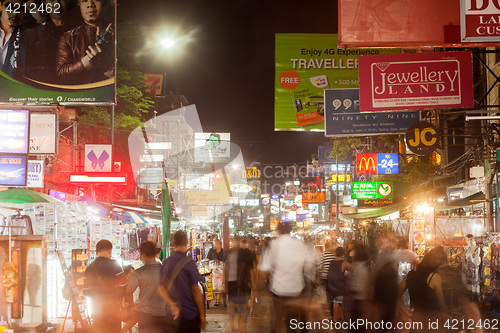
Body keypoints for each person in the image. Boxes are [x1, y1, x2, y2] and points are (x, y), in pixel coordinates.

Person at [259, 222, 315, 333]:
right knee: (292, 322)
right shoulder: (299, 244)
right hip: (296, 289)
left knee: (277, 321)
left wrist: (268, 284)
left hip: (278, 289)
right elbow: (309, 264)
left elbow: (265, 269)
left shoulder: (274, 245)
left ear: (278, 230)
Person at [158, 230, 206, 333]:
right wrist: (202, 315)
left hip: (171, 315)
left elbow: (161, 288)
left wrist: (172, 304)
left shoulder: (166, 262)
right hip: (189, 314)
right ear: (187, 242)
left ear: (174, 244)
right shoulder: (189, 263)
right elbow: (196, 290)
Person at [55, 0, 114, 84]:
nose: (90, 4)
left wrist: (106, 68)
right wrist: (89, 59)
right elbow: (61, 74)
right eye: (85, 0)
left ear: (106, 4)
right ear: (79, 4)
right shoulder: (68, 38)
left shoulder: (117, 35)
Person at [399, 246, 449, 333]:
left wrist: (405, 311)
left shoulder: (410, 275)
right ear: (437, 264)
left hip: (416, 321)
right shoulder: (434, 277)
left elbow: (395, 294)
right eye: (442, 267)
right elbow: (441, 305)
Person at [83, 239, 127, 333]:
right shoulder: (115, 265)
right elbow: (123, 284)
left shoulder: (90, 268)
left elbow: (86, 290)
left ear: (97, 251)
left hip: (97, 309)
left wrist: (97, 296)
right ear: (110, 250)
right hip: (114, 309)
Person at [125, 241, 167, 333]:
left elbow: (128, 291)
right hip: (164, 315)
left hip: (145, 315)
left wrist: (132, 307)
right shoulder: (165, 270)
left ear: (143, 255)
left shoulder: (138, 272)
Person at [223, 236, 256, 333]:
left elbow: (251, 270)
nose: (236, 243)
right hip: (231, 283)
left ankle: (240, 325)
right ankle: (232, 325)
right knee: (231, 305)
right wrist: (223, 283)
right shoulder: (228, 253)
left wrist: (253, 282)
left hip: (243, 284)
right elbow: (226, 267)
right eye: (234, 241)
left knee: (243, 305)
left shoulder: (246, 254)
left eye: (237, 241)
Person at [327, 246, 350, 322]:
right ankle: (335, 321)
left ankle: (343, 318)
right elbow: (353, 268)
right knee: (336, 302)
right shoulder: (343, 263)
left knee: (338, 301)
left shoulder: (331, 262)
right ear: (342, 254)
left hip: (331, 285)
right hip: (339, 286)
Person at [318, 241, 336, 318]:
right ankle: (332, 313)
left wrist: (320, 275)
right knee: (333, 296)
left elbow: (320, 266)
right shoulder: (334, 255)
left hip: (325, 278)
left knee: (328, 296)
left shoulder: (324, 255)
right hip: (333, 278)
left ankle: (330, 313)